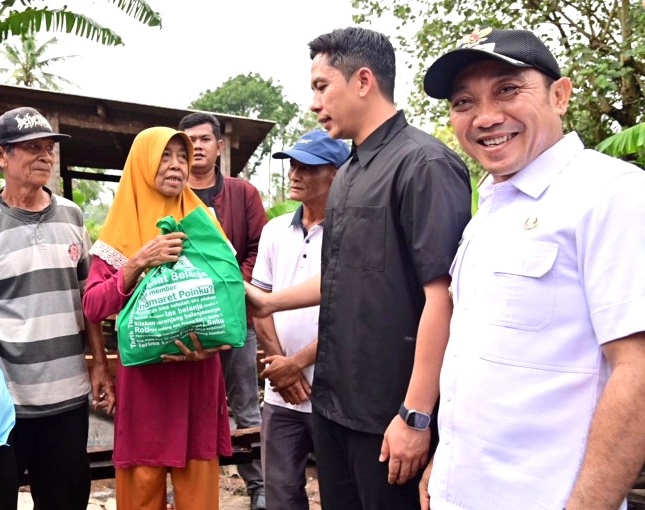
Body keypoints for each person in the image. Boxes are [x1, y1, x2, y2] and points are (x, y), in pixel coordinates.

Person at [418, 27, 645, 510]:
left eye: (507, 89)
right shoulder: (490, 208)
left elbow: (638, 370)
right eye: (463, 102)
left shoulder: (611, 193)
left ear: (559, 96)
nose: (485, 117)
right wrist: (447, 461)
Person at [247, 27, 472, 509]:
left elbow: (444, 298)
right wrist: (267, 302)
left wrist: (415, 415)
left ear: (364, 81)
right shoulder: (348, 173)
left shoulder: (424, 164)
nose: (314, 104)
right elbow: (339, 278)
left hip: (388, 416)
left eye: (321, 86)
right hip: (334, 407)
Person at [0, 106, 113, 510]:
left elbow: (87, 300)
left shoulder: (72, 216)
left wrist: (99, 364)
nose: (45, 156)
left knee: (66, 500)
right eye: (32, 148)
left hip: (67, 395)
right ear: (1, 155)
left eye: (49, 148)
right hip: (3, 401)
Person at [83, 126, 233, 510]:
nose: (176, 165)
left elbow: (230, 299)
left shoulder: (204, 224)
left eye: (182, 156)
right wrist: (138, 261)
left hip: (198, 376)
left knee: (199, 496)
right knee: (142, 489)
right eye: (165, 156)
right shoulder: (119, 233)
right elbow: (93, 306)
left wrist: (214, 345)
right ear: (142, 163)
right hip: (145, 387)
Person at [252, 130, 349, 510]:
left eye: (307, 167)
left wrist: (298, 363)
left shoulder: (351, 233)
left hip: (333, 391)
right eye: (293, 165)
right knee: (281, 493)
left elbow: (352, 315)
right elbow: (260, 305)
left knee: (340, 493)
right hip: (281, 394)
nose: (294, 173)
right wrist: (283, 369)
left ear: (336, 173)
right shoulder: (275, 230)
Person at [178, 112, 268, 510]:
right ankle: (186, 488)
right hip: (184, 321)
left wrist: (228, 290)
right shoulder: (170, 193)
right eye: (188, 140)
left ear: (218, 146)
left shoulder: (242, 193)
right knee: (187, 404)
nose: (196, 146)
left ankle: (259, 485)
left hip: (235, 320)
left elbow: (259, 250)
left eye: (203, 139)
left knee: (245, 403)